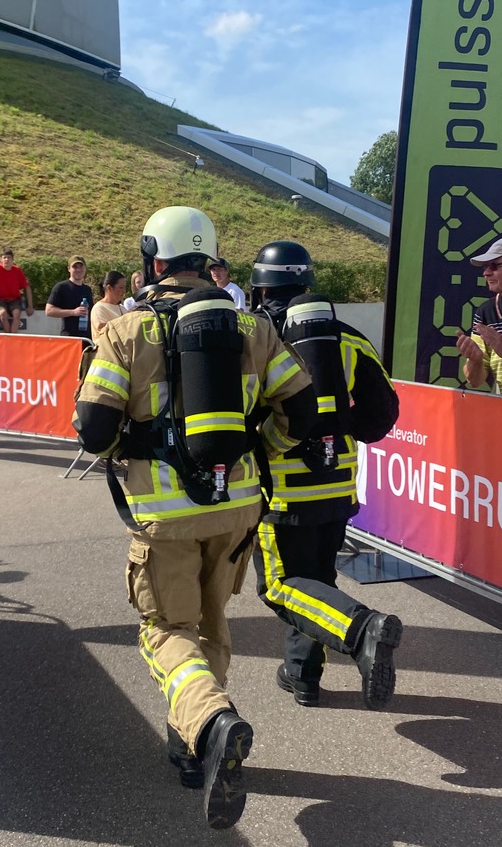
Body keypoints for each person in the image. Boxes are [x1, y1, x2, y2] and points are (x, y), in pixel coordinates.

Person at [74, 206, 404, 830]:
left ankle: (212, 722)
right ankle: (192, 748)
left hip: (165, 517)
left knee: (164, 629)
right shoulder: (254, 328)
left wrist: (129, 441)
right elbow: (303, 410)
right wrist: (270, 444)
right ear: (208, 260)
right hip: (240, 511)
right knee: (209, 621)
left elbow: (93, 431)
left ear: (154, 258)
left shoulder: (125, 332)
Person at [249, 239, 400, 708]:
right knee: (315, 578)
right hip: (337, 484)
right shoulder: (349, 338)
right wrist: (337, 429)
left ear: (261, 289)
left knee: (279, 586)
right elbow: (382, 416)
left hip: (281, 492)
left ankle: (361, 630)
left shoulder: (259, 338)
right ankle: (302, 676)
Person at [455, 236, 502, 397]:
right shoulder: (486, 312)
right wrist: (475, 361)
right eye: (485, 267)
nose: (486, 273)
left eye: (494, 266)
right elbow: (475, 381)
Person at [45, 255, 94, 338]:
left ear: (85, 268)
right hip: (70, 337)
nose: (78, 270)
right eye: (75, 267)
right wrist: (73, 312)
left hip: (87, 337)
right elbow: (49, 311)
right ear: (69, 269)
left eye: (81, 267)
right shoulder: (61, 287)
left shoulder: (87, 289)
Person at [0, 248, 34, 334]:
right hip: (0, 300)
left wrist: (30, 306)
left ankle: (13, 337)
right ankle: (8, 337)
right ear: (1, 259)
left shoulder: (17, 270)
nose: (6, 260)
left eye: (9, 257)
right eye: (4, 257)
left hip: (15, 300)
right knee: (3, 314)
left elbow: (27, 288)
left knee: (16, 314)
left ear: (12, 259)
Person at [90, 270, 126, 341]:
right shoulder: (99, 308)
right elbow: (105, 332)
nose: (124, 291)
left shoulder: (122, 308)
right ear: (109, 288)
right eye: (121, 287)